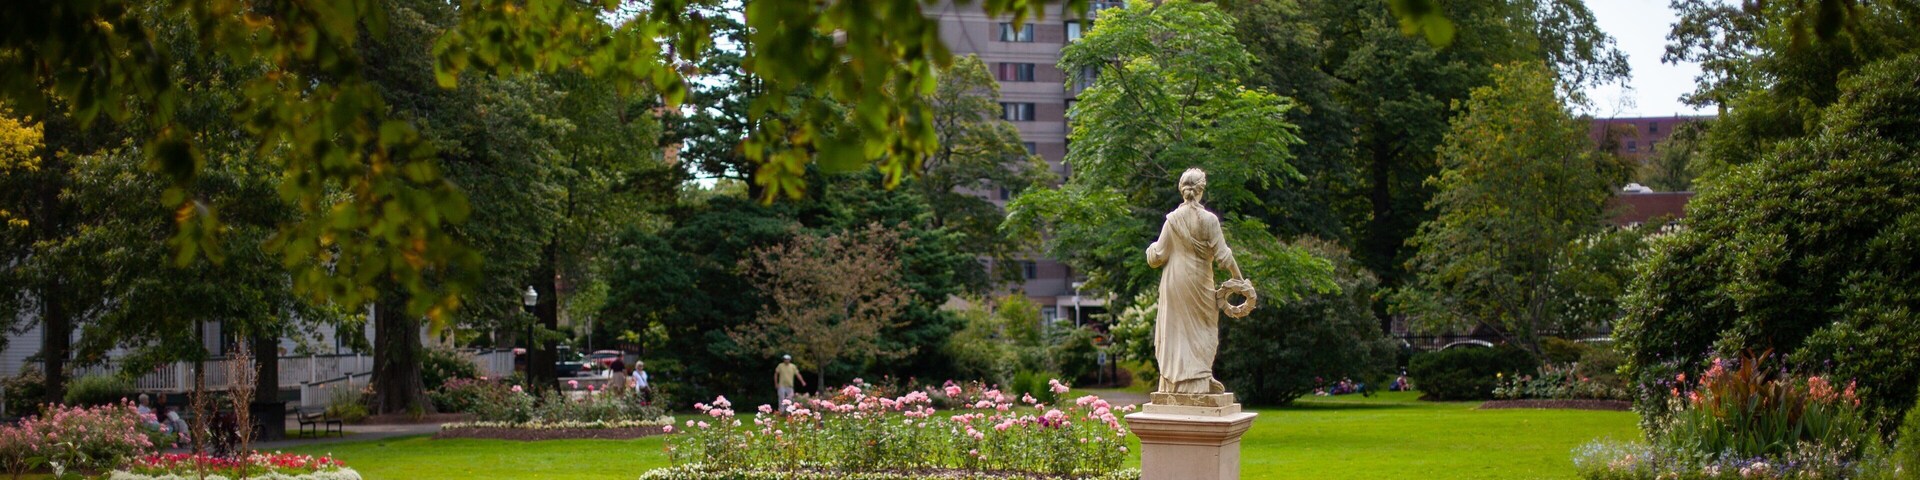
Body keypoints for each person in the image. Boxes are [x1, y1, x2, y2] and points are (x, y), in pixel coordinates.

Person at [1146, 169, 1248, 394]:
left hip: (1175, 281)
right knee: (1203, 329)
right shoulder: (1208, 220)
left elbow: (1157, 257)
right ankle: (1197, 382)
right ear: (1201, 190)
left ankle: (1177, 383)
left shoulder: (1172, 220)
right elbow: (1224, 255)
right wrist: (1240, 280)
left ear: (1181, 189)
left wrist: (1150, 249)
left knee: (1176, 330)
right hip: (1200, 281)